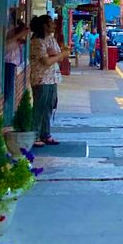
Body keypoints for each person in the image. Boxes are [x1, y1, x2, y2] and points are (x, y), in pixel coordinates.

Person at [29, 14, 69, 147]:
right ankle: (34, 135)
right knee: (39, 108)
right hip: (41, 79)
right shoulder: (37, 41)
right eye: (51, 23)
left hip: (52, 78)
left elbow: (58, 56)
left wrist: (57, 55)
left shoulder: (51, 39)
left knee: (49, 107)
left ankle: (45, 134)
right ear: (45, 26)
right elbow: (46, 61)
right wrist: (59, 55)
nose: (54, 25)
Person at [4, 22, 29, 124]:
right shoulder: (8, 31)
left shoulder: (16, 38)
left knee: (9, 91)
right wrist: (19, 35)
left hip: (13, 64)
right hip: (7, 64)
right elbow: (4, 46)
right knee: (7, 92)